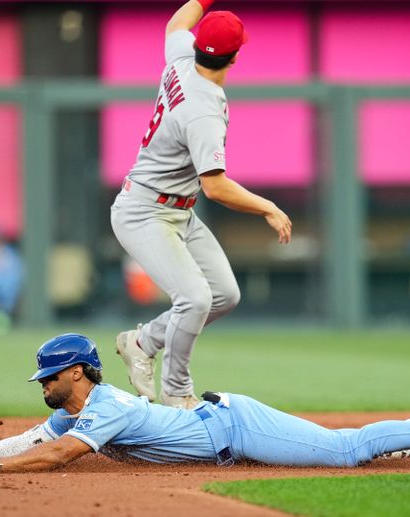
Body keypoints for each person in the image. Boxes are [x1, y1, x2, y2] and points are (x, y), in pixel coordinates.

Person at [0, 333, 410, 473]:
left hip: (234, 427)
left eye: (48, 377)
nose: (42, 385)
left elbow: (60, 455)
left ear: (76, 374)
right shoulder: (76, 408)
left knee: (345, 451)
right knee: (343, 450)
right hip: (221, 432)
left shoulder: (105, 405)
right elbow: (36, 439)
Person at [110, 0, 292, 409]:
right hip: (144, 212)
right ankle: (178, 393)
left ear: (200, 47)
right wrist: (268, 207)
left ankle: (141, 342)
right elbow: (216, 187)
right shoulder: (203, 110)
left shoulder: (181, 58)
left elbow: (177, 20)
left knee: (224, 294)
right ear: (236, 55)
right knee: (194, 298)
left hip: (175, 209)